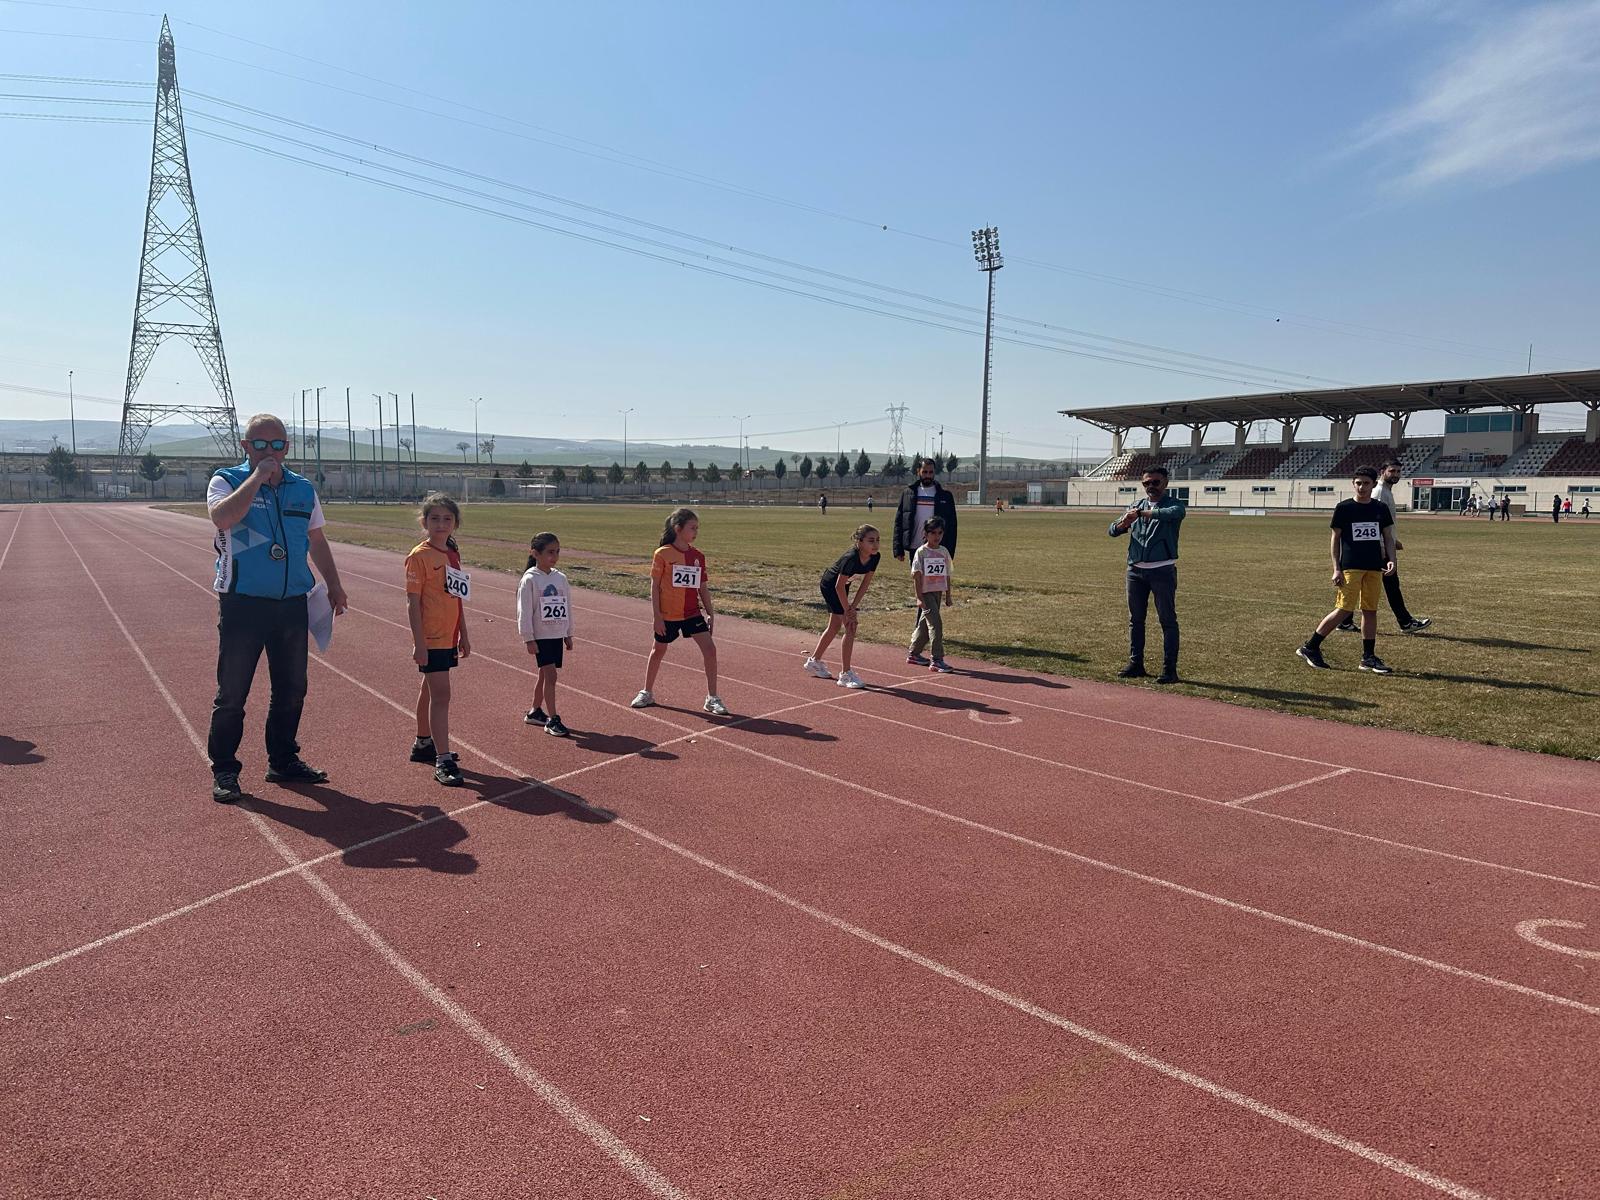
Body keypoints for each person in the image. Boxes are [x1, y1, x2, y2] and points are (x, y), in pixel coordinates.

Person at [206, 413, 348, 803]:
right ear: (245, 447)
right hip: (243, 603)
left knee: (292, 688)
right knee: (233, 692)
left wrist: (333, 584)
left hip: (291, 603)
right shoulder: (226, 481)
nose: (270, 452)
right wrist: (256, 478)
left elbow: (316, 539)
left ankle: (282, 760)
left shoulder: (302, 489)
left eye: (278, 445)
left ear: (288, 447)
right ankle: (225, 769)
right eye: (260, 444)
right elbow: (222, 517)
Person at [1297, 466, 1396, 674]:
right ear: (1353, 484)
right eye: (1358, 483)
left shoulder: (1380, 508)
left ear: (1373, 484)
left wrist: (1391, 560)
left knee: (1370, 611)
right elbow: (1335, 539)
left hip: (1374, 566)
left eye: (1366, 483)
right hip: (1351, 566)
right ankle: (1311, 646)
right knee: (1344, 609)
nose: (1361, 487)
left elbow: (1388, 536)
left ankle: (1368, 657)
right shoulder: (1344, 508)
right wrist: (1336, 568)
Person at [632, 508, 727, 715]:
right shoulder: (662, 554)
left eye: (697, 528)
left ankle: (712, 698)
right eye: (692, 528)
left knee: (710, 650)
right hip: (668, 615)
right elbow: (655, 586)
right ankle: (647, 692)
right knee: (658, 651)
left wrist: (711, 613)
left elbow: (702, 587)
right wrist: (657, 617)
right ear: (678, 529)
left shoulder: (698, 556)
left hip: (692, 613)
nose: (696, 532)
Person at [406, 493, 472, 786]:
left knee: (429, 690)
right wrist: (419, 643)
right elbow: (412, 603)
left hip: (449, 634)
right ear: (424, 522)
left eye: (447, 519)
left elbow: (457, 598)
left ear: (455, 523)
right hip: (431, 637)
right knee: (442, 695)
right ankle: (443, 759)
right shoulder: (419, 556)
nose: (441, 524)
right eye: (435, 518)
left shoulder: (452, 555)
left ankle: (423, 743)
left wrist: (464, 633)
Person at [1108, 465, 1185, 684]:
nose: (1151, 487)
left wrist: (1142, 513)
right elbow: (1112, 530)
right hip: (1135, 571)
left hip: (1162, 570)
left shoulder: (1173, 505)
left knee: (1168, 621)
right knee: (1136, 620)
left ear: (1166, 483)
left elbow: (1173, 514)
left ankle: (1169, 669)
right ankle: (1136, 663)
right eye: (1146, 483)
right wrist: (1124, 523)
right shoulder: (1135, 505)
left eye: (1155, 482)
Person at [803, 524, 881, 688]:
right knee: (850, 625)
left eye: (878, 540)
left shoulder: (875, 557)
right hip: (831, 585)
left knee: (836, 625)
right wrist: (848, 611)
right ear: (859, 542)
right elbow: (838, 586)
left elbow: (865, 584)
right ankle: (845, 674)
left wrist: (853, 606)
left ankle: (814, 661)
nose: (875, 544)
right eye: (871, 540)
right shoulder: (851, 558)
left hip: (843, 586)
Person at [517, 531, 574, 738]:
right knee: (551, 675)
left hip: (556, 633)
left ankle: (535, 711)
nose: (554, 556)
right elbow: (524, 611)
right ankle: (553, 719)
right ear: (535, 553)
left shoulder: (561, 578)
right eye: (550, 552)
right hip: (540, 636)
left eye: (557, 552)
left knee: (544, 673)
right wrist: (528, 638)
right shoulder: (530, 580)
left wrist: (568, 633)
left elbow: (566, 606)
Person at [1372, 460, 1430, 633]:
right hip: (1380, 548)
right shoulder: (1380, 492)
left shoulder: (1386, 491)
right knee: (1391, 585)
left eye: (1398, 471)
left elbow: (1385, 523)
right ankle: (1405, 622)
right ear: (1382, 471)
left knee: (1369, 583)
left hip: (1384, 544)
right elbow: (1374, 522)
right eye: (1392, 471)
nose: (1396, 474)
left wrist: (1393, 540)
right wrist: (1383, 546)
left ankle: (1345, 620)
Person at [907, 516, 954, 673]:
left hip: (938, 592)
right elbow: (916, 576)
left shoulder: (943, 551)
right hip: (926, 593)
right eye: (933, 532)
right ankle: (937, 659)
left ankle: (914, 654)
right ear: (925, 534)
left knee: (924, 625)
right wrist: (919, 597)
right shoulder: (921, 552)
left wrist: (948, 595)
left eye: (940, 532)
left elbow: (947, 574)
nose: (937, 536)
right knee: (936, 625)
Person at [893, 456, 960, 566]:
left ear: (934, 473)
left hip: (937, 548)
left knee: (934, 582)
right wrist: (898, 549)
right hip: (915, 547)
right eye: (924, 472)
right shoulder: (908, 493)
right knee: (917, 579)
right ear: (918, 471)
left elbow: (952, 526)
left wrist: (950, 553)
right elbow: (899, 522)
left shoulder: (945, 496)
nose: (928, 475)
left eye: (930, 472)